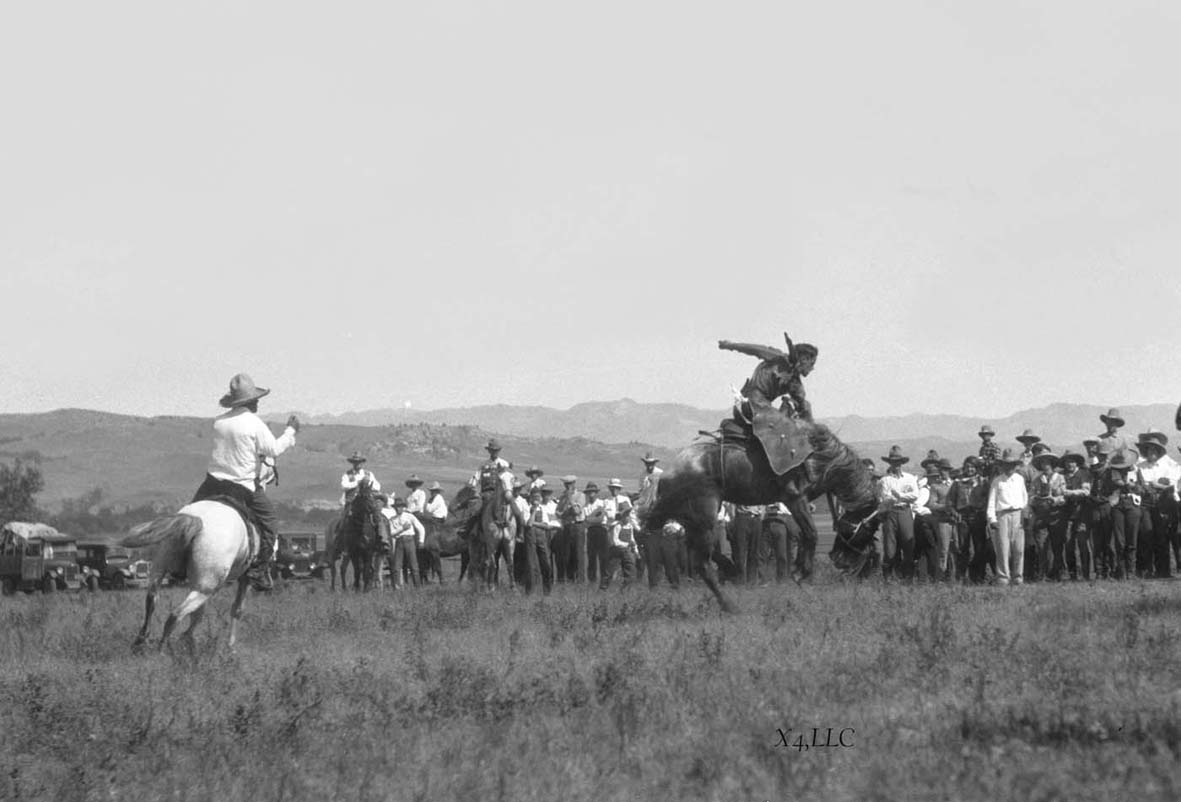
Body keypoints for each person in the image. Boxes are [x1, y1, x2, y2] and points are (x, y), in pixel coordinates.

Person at [192, 373, 299, 591]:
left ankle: (178, 558)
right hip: (242, 486)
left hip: (212, 483)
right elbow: (273, 449)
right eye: (256, 398)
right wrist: (290, 431)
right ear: (250, 401)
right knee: (270, 524)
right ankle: (259, 570)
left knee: (189, 516)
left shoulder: (219, 422)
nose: (258, 401)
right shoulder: (254, 423)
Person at [717, 332, 818, 421]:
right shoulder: (778, 357)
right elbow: (754, 349)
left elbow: (802, 405)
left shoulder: (795, 383)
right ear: (804, 359)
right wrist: (731, 345)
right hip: (755, 405)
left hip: (761, 406)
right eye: (812, 363)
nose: (812, 368)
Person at [1134, 430, 1179, 579]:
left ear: (1159, 451)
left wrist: (1156, 485)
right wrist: (1147, 487)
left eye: (1154, 449)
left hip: (1162, 505)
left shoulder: (1167, 466)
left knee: (1162, 536)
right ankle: (1146, 570)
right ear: (1145, 451)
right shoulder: (1139, 466)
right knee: (1146, 533)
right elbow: (1136, 485)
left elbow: (1171, 485)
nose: (1151, 452)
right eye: (1148, 449)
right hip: (1145, 505)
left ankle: (1163, 571)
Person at [987, 448, 1028, 586]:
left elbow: (1024, 498)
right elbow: (992, 501)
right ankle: (1003, 577)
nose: (1009, 468)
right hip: (1003, 515)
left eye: (1011, 465)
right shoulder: (997, 481)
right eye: (1006, 465)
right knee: (1003, 548)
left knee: (1018, 548)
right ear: (1002, 466)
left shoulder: (1020, 479)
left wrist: (1024, 515)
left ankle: (1018, 576)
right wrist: (992, 519)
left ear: (1016, 466)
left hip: (1017, 513)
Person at [877, 446, 919, 581]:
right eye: (893, 462)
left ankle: (908, 577)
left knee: (908, 543)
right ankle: (888, 578)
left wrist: (900, 496)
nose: (896, 465)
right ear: (890, 463)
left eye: (898, 462)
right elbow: (885, 497)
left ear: (902, 463)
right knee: (890, 547)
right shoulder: (884, 480)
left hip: (905, 511)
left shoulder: (910, 478)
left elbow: (914, 495)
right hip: (891, 513)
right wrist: (899, 497)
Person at [1028, 449, 1066, 581]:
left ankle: (1058, 572)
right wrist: (1037, 499)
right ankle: (1043, 573)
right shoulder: (1036, 480)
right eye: (1043, 463)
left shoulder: (1060, 478)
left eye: (1047, 462)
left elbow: (1064, 496)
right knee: (1041, 545)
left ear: (1052, 464)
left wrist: (1054, 500)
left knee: (1057, 545)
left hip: (1056, 515)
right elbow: (1030, 497)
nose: (1045, 465)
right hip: (1041, 515)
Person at [1059, 451, 1093, 580]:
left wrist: (1069, 493)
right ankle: (1073, 574)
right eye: (1067, 462)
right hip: (1067, 514)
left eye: (1072, 461)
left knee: (1083, 544)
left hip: (1082, 514)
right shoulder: (1062, 476)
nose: (1070, 464)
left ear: (1076, 462)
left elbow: (1086, 491)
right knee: (1068, 544)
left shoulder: (1084, 474)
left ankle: (1086, 574)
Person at [468, 439, 514, 532]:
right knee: (475, 511)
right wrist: (472, 488)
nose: (494, 452)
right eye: (492, 450)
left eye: (496, 450)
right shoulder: (483, 464)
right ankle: (471, 531)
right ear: (489, 451)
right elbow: (475, 478)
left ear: (499, 451)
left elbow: (510, 479)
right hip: (485, 494)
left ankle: (519, 531)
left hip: (501, 493)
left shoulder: (504, 464)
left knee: (514, 507)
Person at [522, 487, 558, 594]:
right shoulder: (526, 507)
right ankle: (530, 592)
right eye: (534, 496)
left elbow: (546, 525)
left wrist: (534, 523)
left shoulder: (543, 509)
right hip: (530, 538)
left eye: (538, 496)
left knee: (546, 564)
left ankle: (547, 591)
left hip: (542, 538)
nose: (536, 499)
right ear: (531, 497)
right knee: (531, 565)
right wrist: (533, 512)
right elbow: (528, 524)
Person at [601, 489, 638, 590]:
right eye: (625, 515)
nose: (627, 517)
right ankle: (603, 588)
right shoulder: (616, 526)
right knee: (610, 570)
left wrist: (636, 550)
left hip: (626, 550)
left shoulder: (629, 526)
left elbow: (632, 538)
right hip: (616, 550)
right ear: (621, 517)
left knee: (630, 569)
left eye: (628, 515)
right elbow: (615, 541)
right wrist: (627, 544)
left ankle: (626, 588)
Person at [385, 496, 425, 589]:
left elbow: (420, 528)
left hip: (410, 540)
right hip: (399, 541)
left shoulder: (410, 516)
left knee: (414, 565)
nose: (399, 508)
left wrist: (421, 541)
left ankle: (417, 587)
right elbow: (391, 533)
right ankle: (397, 587)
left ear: (403, 507)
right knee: (397, 566)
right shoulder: (392, 519)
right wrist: (402, 528)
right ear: (395, 508)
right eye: (397, 507)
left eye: (401, 506)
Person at [554, 475, 586, 583]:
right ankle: (570, 578)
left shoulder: (580, 495)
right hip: (567, 526)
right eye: (566, 484)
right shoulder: (562, 497)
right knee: (567, 553)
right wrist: (565, 512)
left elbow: (576, 511)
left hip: (577, 526)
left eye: (569, 484)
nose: (567, 487)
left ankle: (580, 580)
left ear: (573, 484)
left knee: (578, 553)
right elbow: (557, 512)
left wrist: (569, 500)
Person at [731, 503, 765, 585]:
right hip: (742, 517)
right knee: (740, 551)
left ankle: (752, 580)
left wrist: (761, 517)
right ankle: (740, 580)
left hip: (756, 518)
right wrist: (734, 518)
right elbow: (732, 504)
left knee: (754, 551)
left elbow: (763, 504)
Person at [584, 482, 607, 583]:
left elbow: (600, 519)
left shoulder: (602, 503)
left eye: (593, 491)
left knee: (603, 556)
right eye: (589, 492)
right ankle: (592, 580)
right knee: (591, 556)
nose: (591, 493)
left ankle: (604, 579)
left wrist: (590, 518)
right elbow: (586, 521)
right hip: (591, 531)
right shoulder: (585, 506)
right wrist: (594, 516)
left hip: (601, 529)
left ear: (596, 492)